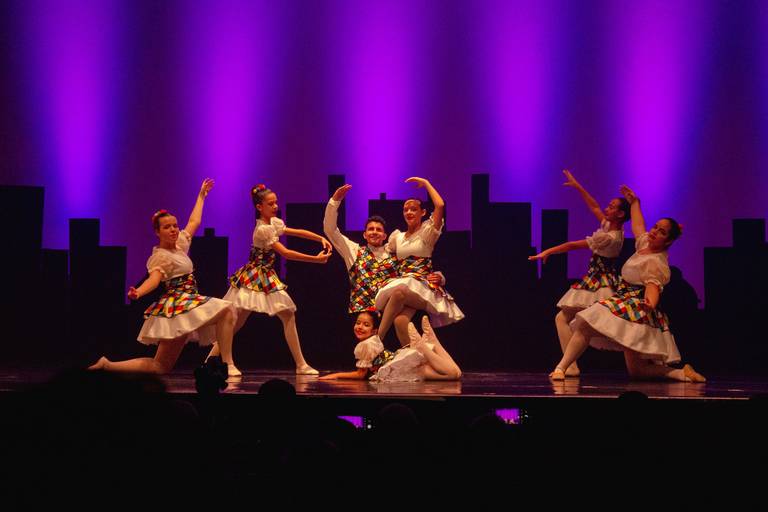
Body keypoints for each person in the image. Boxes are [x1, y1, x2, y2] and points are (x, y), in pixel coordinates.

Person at [549, 185, 705, 383]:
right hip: (626, 299)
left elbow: (653, 286)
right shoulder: (645, 245)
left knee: (585, 325)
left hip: (635, 305)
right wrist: (635, 203)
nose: (655, 231)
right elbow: (638, 226)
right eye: (656, 227)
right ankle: (681, 373)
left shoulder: (656, 262)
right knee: (637, 370)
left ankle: (561, 368)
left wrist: (650, 303)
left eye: (662, 232)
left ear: (668, 242)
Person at [89, 179, 239, 375]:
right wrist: (139, 292)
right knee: (227, 310)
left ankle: (107, 365)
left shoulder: (181, 246)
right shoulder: (160, 256)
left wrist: (202, 195)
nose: (174, 229)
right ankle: (227, 364)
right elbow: (154, 279)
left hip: (188, 304)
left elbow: (194, 222)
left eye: (175, 225)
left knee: (160, 366)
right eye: (167, 227)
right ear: (157, 232)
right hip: (178, 306)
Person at [206, 184, 331, 375]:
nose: (275, 207)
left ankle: (301, 365)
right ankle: (219, 361)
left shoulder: (273, 223)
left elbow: (296, 231)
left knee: (287, 314)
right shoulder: (263, 229)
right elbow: (286, 253)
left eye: (276, 203)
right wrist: (315, 259)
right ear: (259, 207)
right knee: (235, 321)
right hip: (254, 276)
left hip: (265, 276)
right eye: (270, 204)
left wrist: (319, 238)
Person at [529, 170, 629, 376]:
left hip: (601, 284)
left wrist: (548, 251)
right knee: (565, 319)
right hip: (595, 281)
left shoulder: (610, 237)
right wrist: (578, 186)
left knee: (585, 324)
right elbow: (593, 205)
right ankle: (570, 365)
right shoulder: (609, 227)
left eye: (611, 207)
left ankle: (570, 365)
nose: (606, 208)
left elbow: (574, 245)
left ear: (620, 214)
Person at [374, 177, 464, 347]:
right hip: (404, 282)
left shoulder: (427, 234)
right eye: (405, 209)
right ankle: (415, 359)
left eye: (413, 209)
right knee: (400, 321)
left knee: (399, 292)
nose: (409, 212)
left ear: (422, 212)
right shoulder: (397, 237)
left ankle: (377, 338)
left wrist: (427, 183)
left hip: (422, 287)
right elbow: (383, 254)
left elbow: (440, 206)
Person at [319, 312, 461, 381]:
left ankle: (423, 345)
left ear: (374, 331)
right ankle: (432, 341)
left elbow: (360, 374)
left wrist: (336, 375)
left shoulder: (365, 346)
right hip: (399, 363)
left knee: (452, 375)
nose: (360, 327)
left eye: (366, 325)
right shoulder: (373, 340)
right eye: (358, 323)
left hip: (396, 370)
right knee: (456, 373)